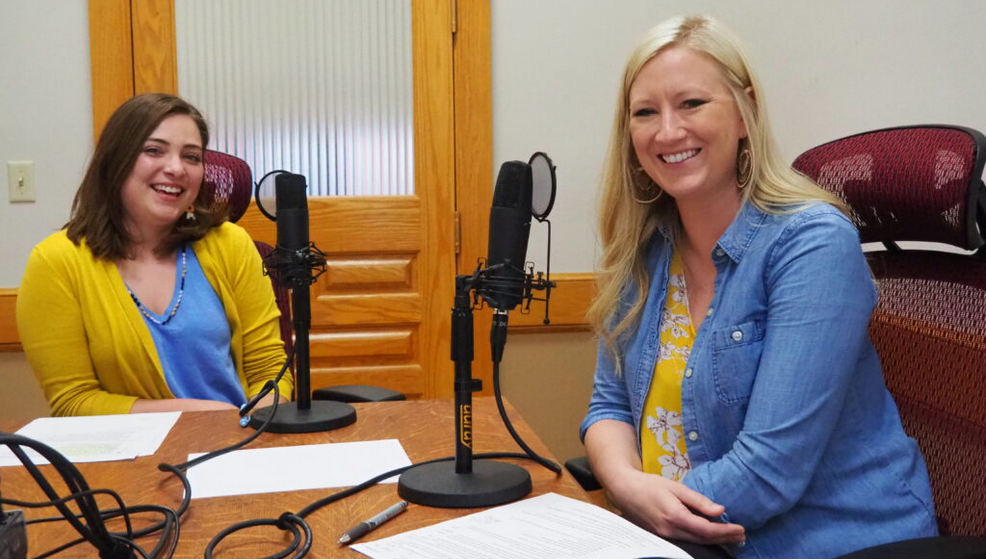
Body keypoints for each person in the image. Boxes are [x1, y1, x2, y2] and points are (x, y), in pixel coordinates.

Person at [580, 15, 937, 559]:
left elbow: (766, 474)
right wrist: (628, 489)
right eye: (645, 112)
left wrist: (625, 532)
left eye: (692, 103)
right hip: (675, 535)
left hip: (824, 542)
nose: (668, 131)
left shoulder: (812, 245)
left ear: (745, 111)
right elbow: (609, 407)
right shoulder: (646, 249)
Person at [16, 93, 292, 416]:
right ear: (116, 161)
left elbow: (270, 368)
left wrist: (260, 429)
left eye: (191, 157)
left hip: (237, 446)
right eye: (153, 150)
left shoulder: (231, 244)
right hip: (127, 460)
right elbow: (74, 401)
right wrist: (201, 418)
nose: (176, 168)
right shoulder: (56, 263)